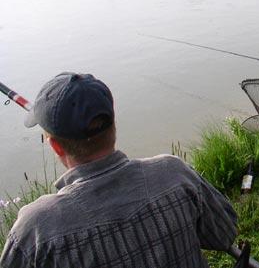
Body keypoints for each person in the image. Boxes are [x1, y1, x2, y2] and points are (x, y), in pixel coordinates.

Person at [0, 72, 238, 268]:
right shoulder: (174, 172)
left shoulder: (36, 229)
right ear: (113, 124)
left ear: (55, 145)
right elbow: (224, 234)